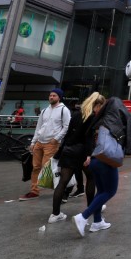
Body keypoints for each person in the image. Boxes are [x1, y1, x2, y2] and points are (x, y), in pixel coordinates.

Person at [73, 96, 131, 236]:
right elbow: (130, 127)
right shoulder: (114, 121)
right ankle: (83, 217)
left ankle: (97, 222)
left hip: (95, 161)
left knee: (101, 191)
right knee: (110, 191)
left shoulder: (97, 121)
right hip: (106, 160)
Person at [48, 93, 105, 223]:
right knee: (91, 178)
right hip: (82, 151)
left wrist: (61, 151)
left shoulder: (76, 114)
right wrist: (89, 154)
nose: (100, 109)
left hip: (68, 150)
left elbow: (68, 134)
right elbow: (88, 138)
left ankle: (55, 214)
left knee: (63, 182)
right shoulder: (91, 117)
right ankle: (91, 208)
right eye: (100, 106)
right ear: (96, 104)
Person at [20, 88, 71, 201]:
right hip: (39, 142)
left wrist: (56, 139)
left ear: (59, 97)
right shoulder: (44, 110)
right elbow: (39, 127)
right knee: (36, 167)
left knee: (48, 169)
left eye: (54, 95)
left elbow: (67, 127)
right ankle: (34, 191)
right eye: (50, 95)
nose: (51, 97)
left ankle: (63, 189)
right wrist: (33, 142)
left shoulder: (64, 110)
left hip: (51, 144)